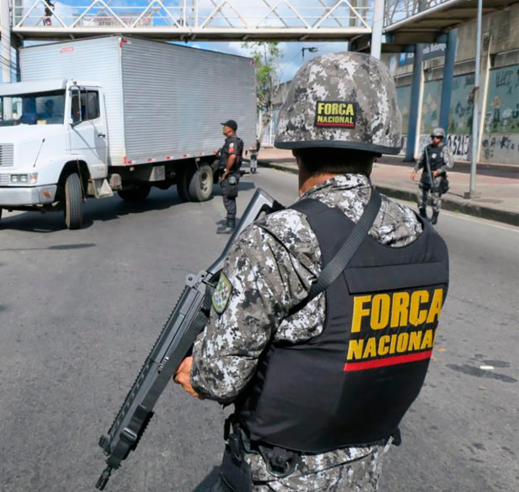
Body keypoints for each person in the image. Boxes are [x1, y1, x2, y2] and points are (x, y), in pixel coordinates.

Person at [174, 53, 449, 492]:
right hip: (365, 468)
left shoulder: (278, 239)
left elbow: (221, 376)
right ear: (379, 141)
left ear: (296, 144)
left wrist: (194, 369)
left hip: (277, 475)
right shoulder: (424, 237)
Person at [411, 127, 453, 225]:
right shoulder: (428, 149)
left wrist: (438, 171)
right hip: (425, 176)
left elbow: (449, 164)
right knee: (420, 196)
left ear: (441, 138)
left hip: (437, 178)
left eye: (437, 137)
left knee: (435, 198)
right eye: (433, 137)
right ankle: (423, 214)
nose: (435, 139)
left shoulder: (445, 149)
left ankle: (434, 217)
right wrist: (415, 170)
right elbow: (421, 161)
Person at [216, 120, 244, 234]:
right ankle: (229, 222)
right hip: (230, 173)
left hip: (231, 174)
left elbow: (232, 156)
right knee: (228, 197)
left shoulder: (232, 141)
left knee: (229, 198)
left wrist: (226, 171)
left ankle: (231, 226)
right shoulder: (230, 141)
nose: (223, 128)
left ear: (230, 129)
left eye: (225, 126)